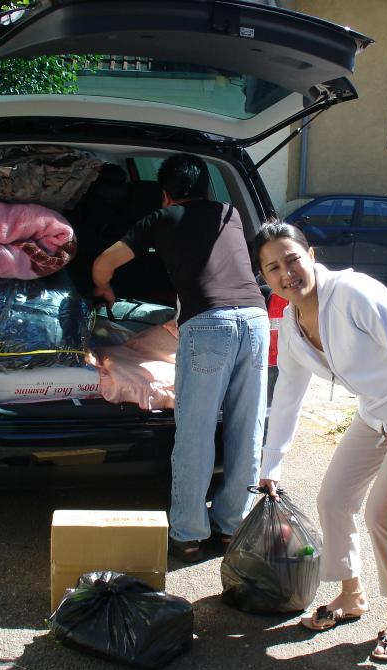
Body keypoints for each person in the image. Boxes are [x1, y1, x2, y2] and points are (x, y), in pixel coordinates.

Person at [253, 220, 387, 662]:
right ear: (265, 277)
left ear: (311, 256)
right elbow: (287, 396)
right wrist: (271, 464)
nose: (287, 273)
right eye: (273, 268)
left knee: (381, 510)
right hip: (375, 411)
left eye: (292, 259)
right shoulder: (291, 323)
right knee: (334, 499)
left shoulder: (354, 293)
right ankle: (351, 595)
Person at [91, 153, 269, 563]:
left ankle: (188, 533)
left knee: (195, 432)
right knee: (247, 427)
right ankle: (232, 527)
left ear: (166, 194)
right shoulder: (229, 214)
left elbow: (103, 263)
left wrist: (104, 288)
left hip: (207, 325)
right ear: (206, 188)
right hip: (256, 321)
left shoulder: (162, 218)